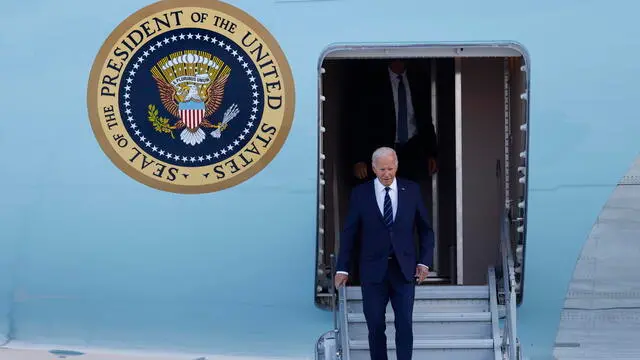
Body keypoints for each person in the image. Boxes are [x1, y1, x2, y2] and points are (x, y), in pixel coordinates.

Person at [335, 147, 435, 360]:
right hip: (372, 270)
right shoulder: (360, 194)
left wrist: (425, 263)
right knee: (375, 325)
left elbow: (426, 229)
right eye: (381, 170)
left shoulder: (412, 190)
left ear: (397, 165)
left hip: (404, 270)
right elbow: (349, 233)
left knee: (405, 325)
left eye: (390, 168)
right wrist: (342, 268)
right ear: (373, 168)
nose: (387, 174)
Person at [351, 59, 438, 184]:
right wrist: (358, 159)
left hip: (412, 150)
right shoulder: (372, 82)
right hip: (381, 150)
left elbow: (425, 119)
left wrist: (431, 153)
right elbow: (359, 122)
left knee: (408, 195)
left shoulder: (418, 81)